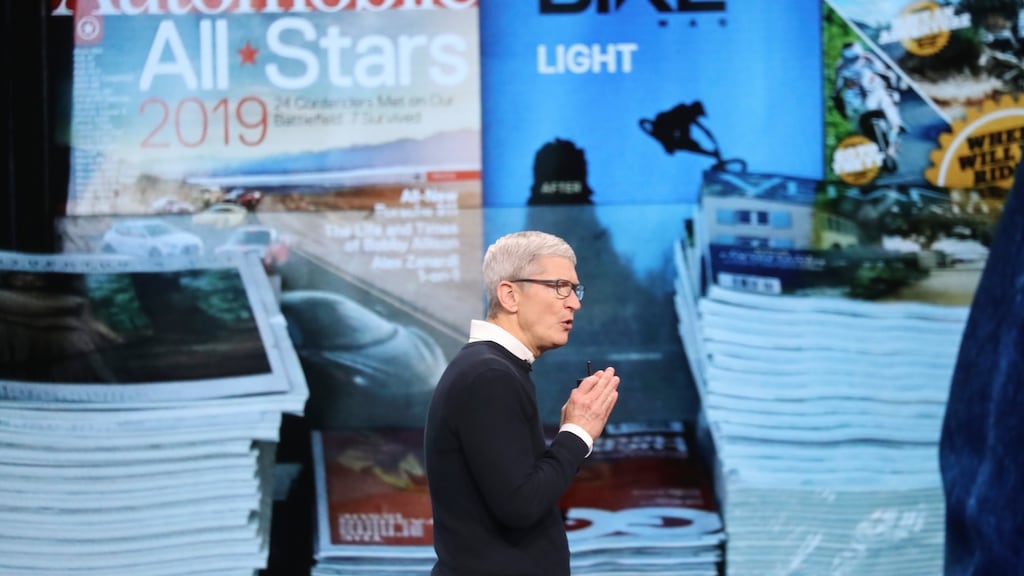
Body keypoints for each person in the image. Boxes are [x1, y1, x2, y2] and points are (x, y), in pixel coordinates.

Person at [424, 230, 621, 576]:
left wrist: (573, 434)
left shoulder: (495, 369)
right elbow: (520, 504)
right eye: (560, 286)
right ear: (510, 295)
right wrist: (577, 434)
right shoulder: (488, 376)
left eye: (575, 290)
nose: (574, 302)